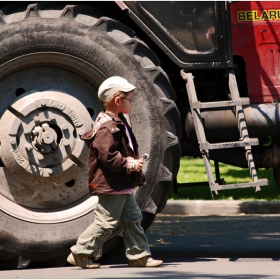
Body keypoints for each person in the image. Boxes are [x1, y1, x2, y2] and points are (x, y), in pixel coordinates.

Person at [67, 76, 163, 269]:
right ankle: (80, 252)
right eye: (129, 99)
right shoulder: (107, 128)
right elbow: (108, 157)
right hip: (111, 184)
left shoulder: (118, 121)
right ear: (118, 100)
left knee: (132, 220)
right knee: (106, 223)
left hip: (121, 184)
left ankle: (139, 256)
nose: (132, 102)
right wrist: (129, 165)